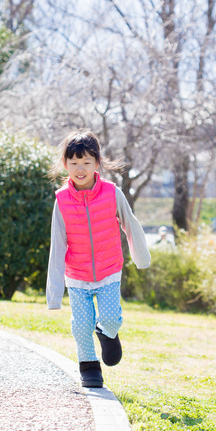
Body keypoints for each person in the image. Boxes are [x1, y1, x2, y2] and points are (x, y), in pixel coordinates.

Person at [46, 129, 151, 389]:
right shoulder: (61, 201)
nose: (80, 169)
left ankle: (107, 333)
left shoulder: (112, 193)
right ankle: (89, 367)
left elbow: (130, 224)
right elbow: (57, 245)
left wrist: (141, 257)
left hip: (108, 270)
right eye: (74, 163)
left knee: (112, 318)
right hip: (77, 274)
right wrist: (54, 292)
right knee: (81, 326)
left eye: (86, 162)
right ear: (65, 164)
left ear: (97, 163)